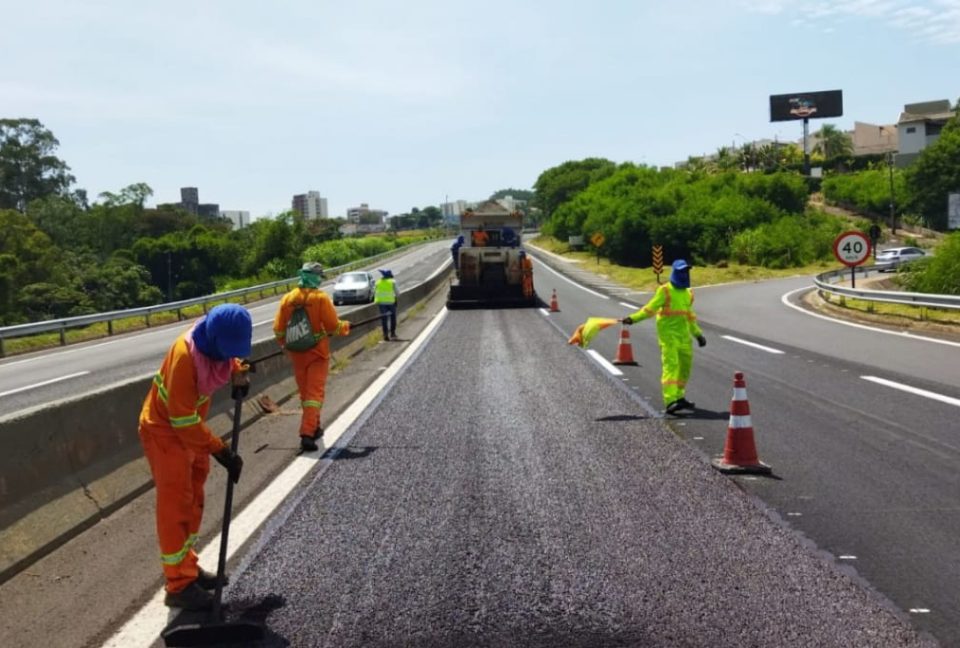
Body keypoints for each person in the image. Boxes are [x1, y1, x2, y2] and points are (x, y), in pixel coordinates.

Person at [138, 303, 251, 611]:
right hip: (165, 432)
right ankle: (178, 585)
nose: (227, 356)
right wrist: (221, 450)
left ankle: (188, 567)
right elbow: (182, 420)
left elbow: (228, 360)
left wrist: (238, 373)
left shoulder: (213, 350)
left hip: (188, 431)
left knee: (193, 499)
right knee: (175, 506)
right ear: (212, 338)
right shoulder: (185, 358)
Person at [273, 261, 351, 452]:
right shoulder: (320, 298)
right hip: (317, 353)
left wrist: (285, 346)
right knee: (314, 395)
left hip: (297, 355)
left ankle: (315, 427)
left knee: (306, 395)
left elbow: (278, 329)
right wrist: (346, 327)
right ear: (315, 277)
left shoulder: (288, 299)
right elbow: (333, 326)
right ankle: (307, 434)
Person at [622, 259, 706, 415]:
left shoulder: (688, 293)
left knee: (684, 369)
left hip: (683, 337)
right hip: (668, 337)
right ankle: (670, 401)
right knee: (671, 367)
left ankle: (679, 397)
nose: (684, 274)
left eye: (686, 271)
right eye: (681, 271)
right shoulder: (665, 290)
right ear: (674, 272)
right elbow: (650, 309)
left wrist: (698, 334)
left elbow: (689, 317)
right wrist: (633, 318)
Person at [374, 268, 399, 341]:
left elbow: (374, 292)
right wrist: (394, 298)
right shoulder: (392, 282)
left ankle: (385, 334)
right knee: (393, 317)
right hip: (391, 303)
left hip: (381, 303)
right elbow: (398, 293)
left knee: (384, 319)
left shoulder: (377, 282)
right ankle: (393, 333)